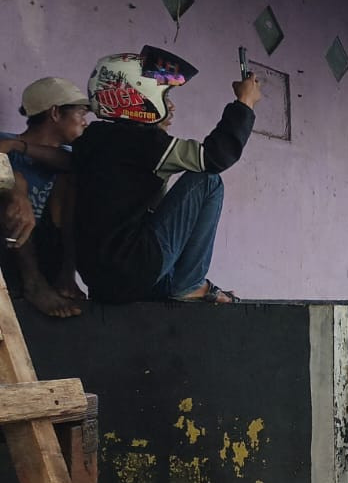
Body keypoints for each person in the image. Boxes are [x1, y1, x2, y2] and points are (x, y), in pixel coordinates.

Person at [73, 48, 260, 304]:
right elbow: (214, 158)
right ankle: (190, 284)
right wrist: (245, 103)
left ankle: (186, 284)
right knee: (207, 180)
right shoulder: (143, 143)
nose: (171, 106)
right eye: (165, 95)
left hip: (101, 282)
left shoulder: (91, 140)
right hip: (134, 268)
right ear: (139, 95)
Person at [1, 78, 93, 317]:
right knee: (10, 178)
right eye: (80, 113)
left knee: (72, 181)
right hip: (8, 245)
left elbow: (72, 163)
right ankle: (33, 283)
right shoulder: (2, 141)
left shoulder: (69, 158)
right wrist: (17, 190)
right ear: (55, 112)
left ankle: (66, 276)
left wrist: (18, 146)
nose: (85, 121)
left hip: (48, 251)